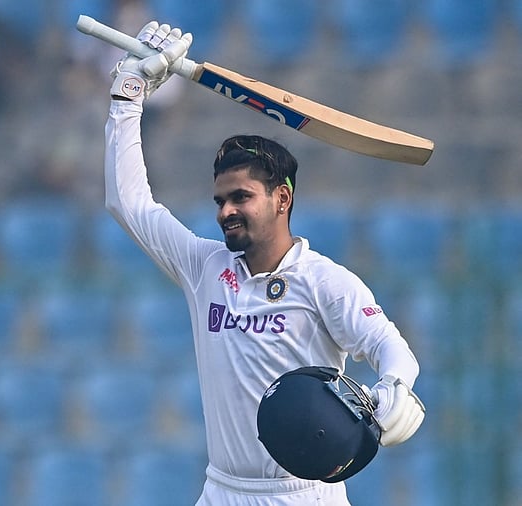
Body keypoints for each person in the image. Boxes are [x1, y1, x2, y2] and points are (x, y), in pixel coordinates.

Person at [103, 22, 425, 505]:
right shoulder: (204, 267)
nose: (225, 211)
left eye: (241, 197)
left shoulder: (323, 281)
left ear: (282, 198)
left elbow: (391, 348)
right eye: (219, 199)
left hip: (304, 495)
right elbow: (128, 203)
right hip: (222, 492)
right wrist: (129, 93)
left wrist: (395, 386)